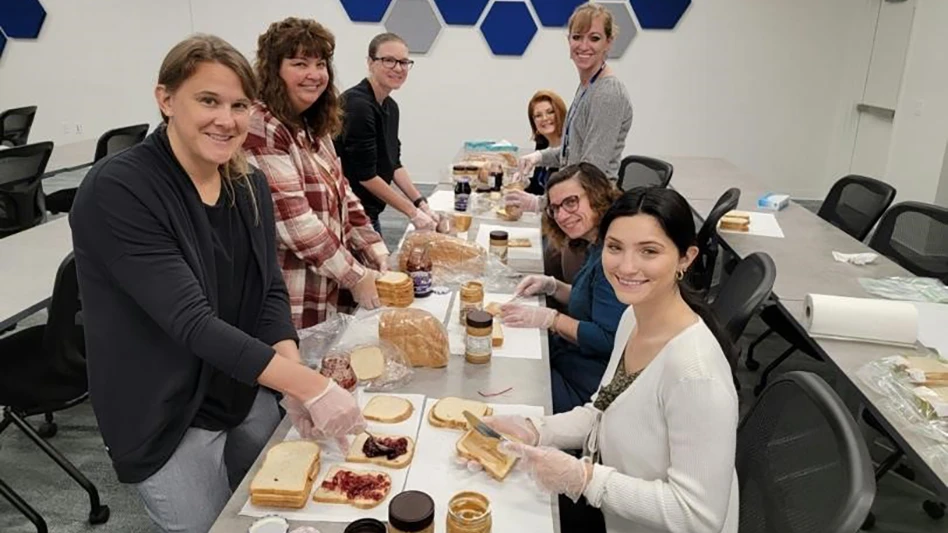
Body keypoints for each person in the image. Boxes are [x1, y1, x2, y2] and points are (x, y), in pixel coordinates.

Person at [69, 34, 366, 533]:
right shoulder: (120, 189)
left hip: (239, 383)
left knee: (284, 509)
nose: (226, 120)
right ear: (166, 99)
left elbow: (269, 290)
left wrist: (290, 383)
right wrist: (310, 385)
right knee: (212, 526)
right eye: (208, 100)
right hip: (165, 407)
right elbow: (191, 322)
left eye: (239, 105)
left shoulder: (246, 182)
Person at [476, 187, 740, 533]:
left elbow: (697, 517)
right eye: (615, 248)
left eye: (649, 251)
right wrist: (537, 428)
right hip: (615, 511)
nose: (626, 266)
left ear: (686, 258)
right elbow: (602, 410)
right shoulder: (634, 316)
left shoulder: (696, 375)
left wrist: (584, 478)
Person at [243, 18, 389, 328]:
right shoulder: (262, 127)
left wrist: (374, 247)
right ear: (273, 70)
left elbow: (344, 194)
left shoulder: (312, 124)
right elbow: (296, 224)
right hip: (291, 299)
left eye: (320, 64)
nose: (314, 75)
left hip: (326, 287)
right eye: (299, 64)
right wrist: (355, 275)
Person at [501, 163, 626, 414]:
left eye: (571, 202)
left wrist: (553, 319)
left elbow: (609, 338)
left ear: (598, 195)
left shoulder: (614, 258)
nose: (561, 215)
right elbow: (590, 302)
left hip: (591, 384)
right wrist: (552, 286)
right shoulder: (597, 243)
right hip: (573, 357)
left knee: (505, 388)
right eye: (555, 208)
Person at [508, 2, 634, 214]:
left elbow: (590, 171)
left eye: (594, 38)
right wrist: (539, 157)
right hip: (572, 205)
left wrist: (541, 204)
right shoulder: (588, 85)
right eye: (577, 37)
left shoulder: (607, 93)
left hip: (589, 212)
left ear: (609, 42)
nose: (584, 46)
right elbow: (573, 153)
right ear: (568, 40)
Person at [335, 32, 438, 237]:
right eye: (389, 61)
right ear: (370, 63)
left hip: (370, 213)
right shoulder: (357, 105)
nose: (398, 68)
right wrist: (412, 213)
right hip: (350, 218)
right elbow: (366, 176)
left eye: (403, 62)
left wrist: (421, 202)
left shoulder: (391, 106)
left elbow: (394, 164)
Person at [524, 90, 567, 196]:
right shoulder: (542, 146)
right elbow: (537, 188)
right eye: (538, 115)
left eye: (550, 112)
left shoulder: (570, 147)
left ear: (560, 114)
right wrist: (523, 183)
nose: (545, 118)